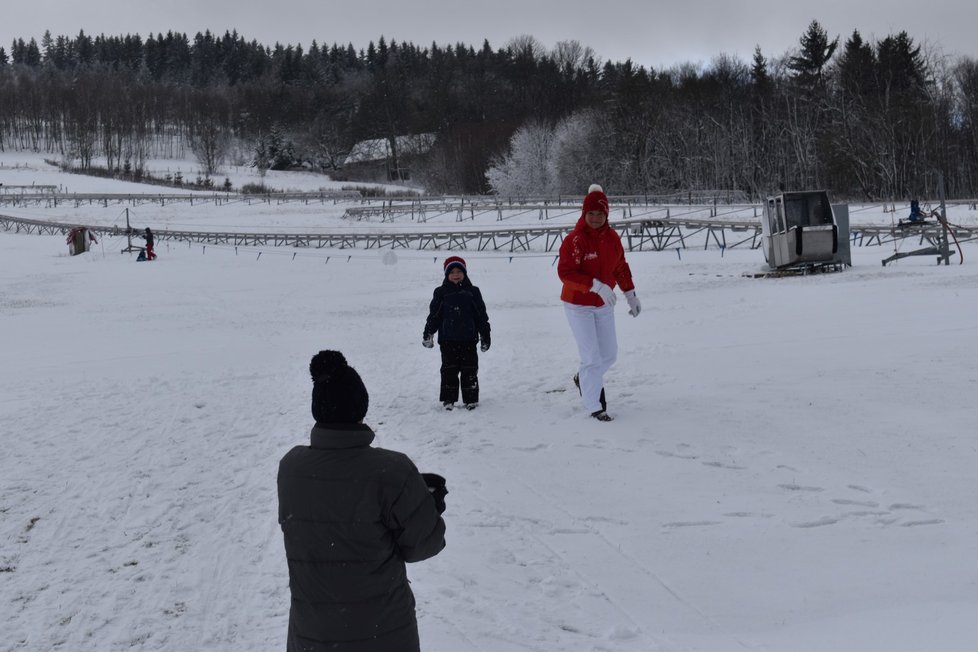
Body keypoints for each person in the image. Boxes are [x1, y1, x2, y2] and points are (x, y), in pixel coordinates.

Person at [278, 350, 447, 652]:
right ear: (361, 407)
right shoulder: (393, 471)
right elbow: (423, 546)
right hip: (382, 633)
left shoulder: (291, 467)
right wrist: (428, 506)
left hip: (311, 635)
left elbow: (336, 502)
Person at [557, 184, 641, 422]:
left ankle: (583, 378)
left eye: (600, 214)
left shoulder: (613, 238)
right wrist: (596, 285)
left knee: (609, 354)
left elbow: (620, 266)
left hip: (604, 304)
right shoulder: (575, 240)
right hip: (578, 304)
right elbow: (566, 273)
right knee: (591, 357)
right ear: (584, 214)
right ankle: (595, 406)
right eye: (591, 213)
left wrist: (631, 294)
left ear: (607, 215)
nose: (595, 218)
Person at [422, 256, 491, 410]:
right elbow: (434, 315)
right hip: (448, 340)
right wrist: (428, 332)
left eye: (459, 271)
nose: (456, 274)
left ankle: (471, 399)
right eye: (452, 272)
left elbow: (481, 315)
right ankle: (448, 400)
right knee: (449, 371)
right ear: (447, 274)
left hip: (468, 339)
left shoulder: (473, 292)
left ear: (465, 273)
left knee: (470, 370)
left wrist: (485, 335)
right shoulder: (441, 292)